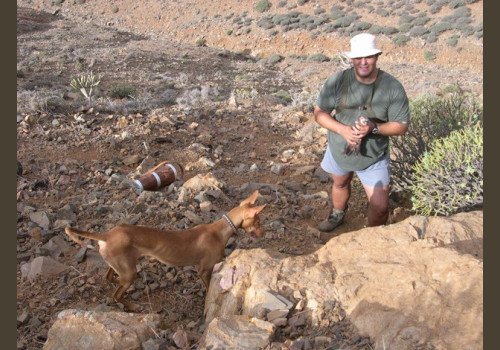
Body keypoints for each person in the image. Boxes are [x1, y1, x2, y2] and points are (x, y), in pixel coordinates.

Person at [314, 33, 410, 232]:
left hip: (373, 155)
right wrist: (342, 130)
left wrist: (374, 128)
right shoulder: (338, 81)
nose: (363, 62)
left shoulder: (392, 87)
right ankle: (337, 214)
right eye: (358, 57)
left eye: (368, 57)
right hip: (339, 148)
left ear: (377, 56)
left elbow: (401, 126)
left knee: (380, 206)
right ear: (352, 59)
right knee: (340, 182)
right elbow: (319, 112)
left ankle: (371, 236)